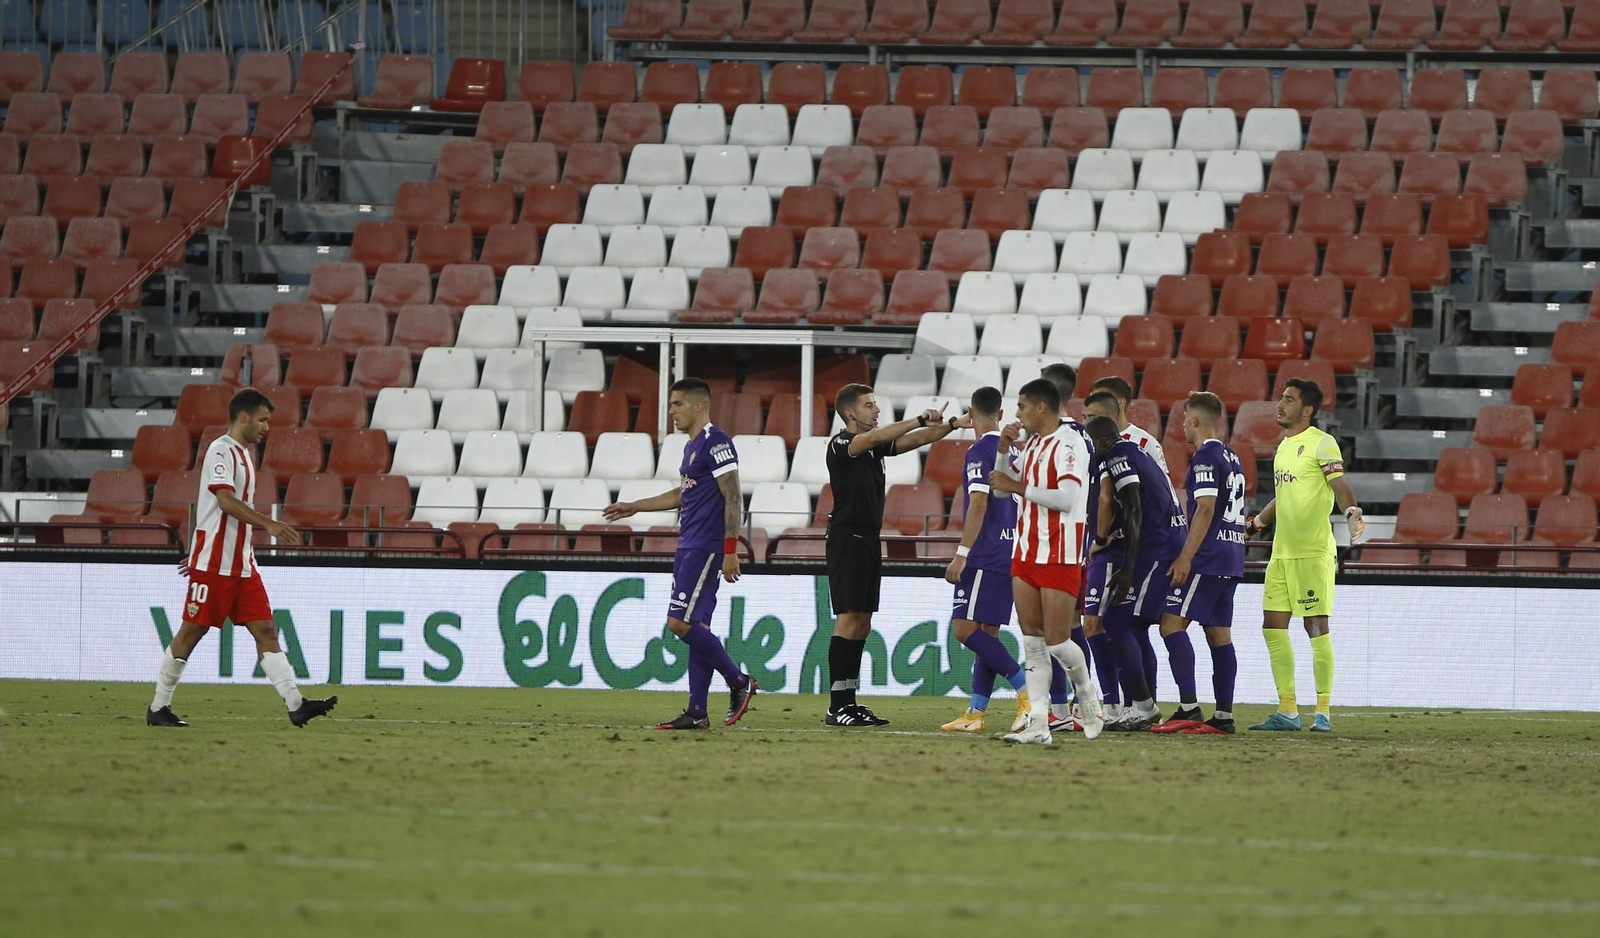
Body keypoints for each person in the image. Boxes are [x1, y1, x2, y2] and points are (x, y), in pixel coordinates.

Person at [146, 388, 338, 728]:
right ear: (243, 417)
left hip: (242, 564)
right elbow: (224, 502)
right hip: (215, 564)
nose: (266, 428)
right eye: (263, 420)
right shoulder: (221, 450)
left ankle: (297, 705)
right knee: (191, 634)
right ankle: (158, 708)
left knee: (266, 629)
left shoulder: (245, 455)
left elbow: (214, 513)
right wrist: (269, 524)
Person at [603, 378, 758, 730]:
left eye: (677, 404)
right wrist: (635, 507)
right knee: (696, 626)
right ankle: (697, 712)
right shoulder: (691, 448)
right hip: (689, 544)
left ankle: (739, 681)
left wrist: (730, 549)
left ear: (699, 406)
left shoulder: (717, 442)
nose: (671, 410)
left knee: (679, 622)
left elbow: (733, 496)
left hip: (705, 547)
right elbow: (683, 494)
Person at [825, 384, 973, 726]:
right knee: (848, 618)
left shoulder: (874, 448)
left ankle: (848, 701)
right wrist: (919, 418)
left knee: (862, 621)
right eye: (869, 405)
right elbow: (877, 439)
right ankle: (837, 706)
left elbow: (913, 442)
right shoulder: (842, 444)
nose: (875, 410)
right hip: (847, 539)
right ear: (850, 414)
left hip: (867, 539)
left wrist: (950, 424)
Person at [988, 378, 1105, 744]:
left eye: (1022, 405)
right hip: (1026, 550)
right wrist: (1004, 450)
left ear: (1041, 407)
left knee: (1056, 641)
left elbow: (1068, 499)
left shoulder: (1070, 443)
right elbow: (999, 484)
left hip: (1059, 552)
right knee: (1033, 643)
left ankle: (1088, 694)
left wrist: (1016, 487)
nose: (1017, 412)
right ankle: (1038, 725)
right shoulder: (1034, 444)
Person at [1247, 379, 1364, 733]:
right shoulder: (1283, 447)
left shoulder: (1322, 443)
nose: (1279, 404)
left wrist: (1352, 512)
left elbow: (1339, 486)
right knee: (1272, 627)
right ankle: (1288, 710)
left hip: (1313, 553)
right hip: (1281, 554)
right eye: (1281, 397)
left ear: (1307, 410)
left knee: (1315, 628)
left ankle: (1324, 710)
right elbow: (1282, 499)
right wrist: (1254, 525)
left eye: (1289, 399)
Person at [1084, 415, 1187, 732]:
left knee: (1116, 619)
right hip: (1164, 541)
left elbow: (1133, 507)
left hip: (1158, 546)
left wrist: (1128, 566)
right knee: (1135, 623)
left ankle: (1143, 705)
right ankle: (1141, 704)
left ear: (1100, 440)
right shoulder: (1135, 451)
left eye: (1091, 444)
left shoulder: (1117, 455)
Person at [1150, 392, 1246, 736]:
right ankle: (1223, 716)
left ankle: (1188, 708)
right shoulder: (1232, 456)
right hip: (1232, 557)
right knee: (1218, 634)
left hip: (1206, 559)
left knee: (1170, 626)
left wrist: (1185, 557)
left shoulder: (1205, 457)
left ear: (1194, 421)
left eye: (1184, 418)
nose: (1181, 426)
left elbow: (1205, 508)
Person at [940, 387, 1028, 733]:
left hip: (985, 551)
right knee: (987, 634)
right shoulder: (1013, 450)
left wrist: (962, 554)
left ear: (971, 413)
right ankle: (975, 713)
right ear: (1001, 414)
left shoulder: (980, 450)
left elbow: (978, 503)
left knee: (963, 629)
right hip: (1011, 550)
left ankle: (1027, 694)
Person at [1088, 375, 1172, 704]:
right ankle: (1123, 703)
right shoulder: (1094, 442)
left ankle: (1131, 703)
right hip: (1105, 544)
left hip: (1129, 547)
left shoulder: (1143, 443)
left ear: (1116, 406)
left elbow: (1157, 495)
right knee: (1103, 625)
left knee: (1121, 626)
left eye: (1092, 411)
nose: (1087, 419)